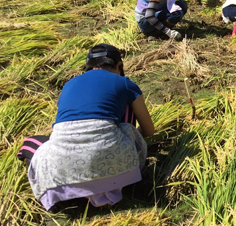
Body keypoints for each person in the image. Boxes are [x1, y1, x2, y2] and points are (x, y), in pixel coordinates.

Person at [24, 44, 155, 211]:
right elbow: (149, 130)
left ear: (88, 66)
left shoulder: (69, 84)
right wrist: (131, 138)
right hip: (116, 168)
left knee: (32, 143)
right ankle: (112, 182)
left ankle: (66, 191)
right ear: (119, 66)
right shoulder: (125, 83)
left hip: (60, 173)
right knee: (126, 106)